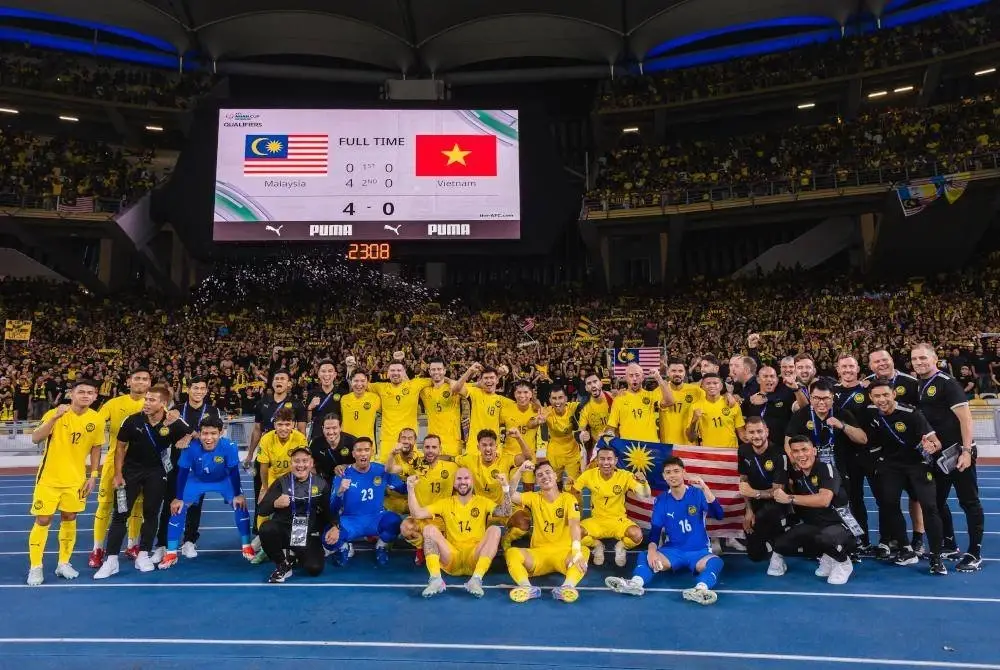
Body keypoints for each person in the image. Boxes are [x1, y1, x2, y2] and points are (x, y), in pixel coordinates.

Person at [94, 385, 193, 578]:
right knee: (120, 514)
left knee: (151, 513)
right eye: (146, 399)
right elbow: (121, 447)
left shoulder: (173, 421)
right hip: (130, 473)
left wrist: (187, 437)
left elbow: (195, 433)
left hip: (157, 473)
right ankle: (111, 560)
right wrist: (118, 474)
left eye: (151, 400)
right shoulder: (132, 420)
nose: (146, 403)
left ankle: (143, 555)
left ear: (163, 403)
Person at [605, 456, 725, 605]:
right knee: (645, 555)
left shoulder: (697, 494)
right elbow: (655, 532)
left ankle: (700, 589)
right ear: (664, 476)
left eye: (676, 471)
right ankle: (635, 583)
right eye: (668, 472)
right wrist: (652, 550)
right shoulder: (661, 500)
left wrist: (705, 488)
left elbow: (719, 515)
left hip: (698, 552)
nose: (672, 475)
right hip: (673, 552)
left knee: (716, 562)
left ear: (684, 473)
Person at [911, 344, 984, 572]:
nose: (919, 362)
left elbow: (966, 419)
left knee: (969, 502)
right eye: (914, 359)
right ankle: (949, 543)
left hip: (957, 453)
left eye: (923, 357)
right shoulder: (921, 384)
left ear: (935, 359)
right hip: (938, 457)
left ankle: (974, 552)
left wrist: (966, 451)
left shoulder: (947, 383)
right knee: (937, 502)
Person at [866, 377, 948, 574]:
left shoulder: (912, 414)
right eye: (876, 396)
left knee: (930, 507)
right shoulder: (872, 415)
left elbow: (935, 441)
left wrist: (932, 446)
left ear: (894, 394)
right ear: (870, 397)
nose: (881, 399)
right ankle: (905, 548)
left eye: (886, 394)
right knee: (889, 504)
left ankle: (936, 557)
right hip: (891, 466)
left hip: (917, 465)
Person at [26, 379, 103, 586]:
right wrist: (55, 418)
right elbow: (36, 438)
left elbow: (96, 447)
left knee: (70, 518)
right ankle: (36, 566)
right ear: (72, 394)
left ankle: (63, 563)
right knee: (43, 520)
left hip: (76, 481)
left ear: (95, 396)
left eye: (90, 392)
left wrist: (93, 475)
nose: (85, 395)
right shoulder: (55, 413)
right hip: (49, 479)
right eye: (81, 392)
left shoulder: (96, 419)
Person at [158, 416, 254, 569]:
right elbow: (182, 472)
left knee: (240, 505)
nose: (208, 438)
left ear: (221, 433)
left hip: (223, 480)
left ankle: (246, 545)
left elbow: (234, 472)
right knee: (178, 508)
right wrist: (178, 497)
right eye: (205, 433)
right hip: (197, 480)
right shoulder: (190, 447)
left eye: (213, 433)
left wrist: (238, 493)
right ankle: (171, 553)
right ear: (200, 433)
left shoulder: (229, 446)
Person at [768, 436, 861, 584]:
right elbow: (777, 492)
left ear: (814, 451)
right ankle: (828, 555)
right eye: (796, 451)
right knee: (781, 543)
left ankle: (843, 562)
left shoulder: (826, 468)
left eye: (804, 449)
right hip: (816, 525)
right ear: (791, 455)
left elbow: (824, 500)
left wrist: (790, 498)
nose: (801, 455)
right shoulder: (795, 474)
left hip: (843, 525)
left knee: (824, 538)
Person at [406, 466, 509, 598]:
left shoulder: (482, 502)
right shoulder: (445, 503)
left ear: (472, 481)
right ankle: (435, 579)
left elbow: (506, 512)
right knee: (429, 529)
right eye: (459, 479)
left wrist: (505, 488)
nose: (462, 482)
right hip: (451, 557)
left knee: (495, 530)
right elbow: (417, 513)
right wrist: (410, 490)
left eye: (466, 478)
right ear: (454, 484)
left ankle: (476, 580)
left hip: (474, 557)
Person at [153, 376, 223, 562]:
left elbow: (215, 437)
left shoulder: (212, 411)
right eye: (195, 388)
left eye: (202, 388)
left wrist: (192, 437)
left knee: (195, 505)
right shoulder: (176, 410)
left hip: (200, 466)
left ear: (206, 391)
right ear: (188, 389)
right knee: (170, 503)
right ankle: (162, 544)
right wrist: (168, 426)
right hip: (177, 465)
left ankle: (190, 540)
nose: (199, 391)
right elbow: (163, 435)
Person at [505, 460, 589, 603]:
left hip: (563, 554)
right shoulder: (533, 497)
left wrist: (576, 550)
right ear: (537, 481)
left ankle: (567, 587)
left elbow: (575, 525)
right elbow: (511, 494)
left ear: (555, 476)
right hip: (539, 555)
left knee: (584, 550)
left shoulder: (568, 499)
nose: (544, 476)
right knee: (512, 553)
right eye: (539, 475)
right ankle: (527, 588)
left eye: (548, 472)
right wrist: (520, 471)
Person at [90, 368, 150, 568]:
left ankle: (133, 545)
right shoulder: (114, 404)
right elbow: (94, 423)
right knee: (105, 505)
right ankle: (98, 548)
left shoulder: (154, 404)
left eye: (145, 379)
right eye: (137, 378)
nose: (141, 382)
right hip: (114, 462)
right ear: (128, 381)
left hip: (142, 465)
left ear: (150, 383)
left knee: (137, 506)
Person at [257, 446, 338, 583]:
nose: (301, 465)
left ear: (311, 463)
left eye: (305, 461)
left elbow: (328, 509)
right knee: (266, 528)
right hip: (283, 531)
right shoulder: (281, 482)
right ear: (291, 463)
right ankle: (282, 564)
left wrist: (335, 526)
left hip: (305, 534)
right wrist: (275, 504)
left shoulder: (320, 483)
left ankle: (292, 554)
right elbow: (262, 510)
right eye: (296, 461)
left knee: (314, 569)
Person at [327, 437, 405, 566]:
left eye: (366, 450)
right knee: (328, 536)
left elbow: (402, 489)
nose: (363, 453)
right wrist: (339, 492)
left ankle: (381, 545)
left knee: (395, 521)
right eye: (359, 450)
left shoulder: (382, 470)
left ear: (372, 452)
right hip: (351, 520)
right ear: (353, 454)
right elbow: (332, 508)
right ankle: (344, 547)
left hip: (376, 518)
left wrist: (415, 478)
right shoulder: (342, 474)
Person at [571, 444, 649, 566]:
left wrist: (644, 483)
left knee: (637, 535)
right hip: (597, 521)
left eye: (609, 459)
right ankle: (597, 545)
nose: (606, 462)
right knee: (574, 532)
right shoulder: (589, 474)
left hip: (618, 521)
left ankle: (621, 546)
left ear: (616, 460)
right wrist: (575, 509)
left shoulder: (625, 475)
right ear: (597, 460)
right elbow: (574, 491)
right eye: (602, 459)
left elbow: (645, 494)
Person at [393, 434, 458, 565]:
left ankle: (438, 545)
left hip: (443, 519)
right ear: (422, 449)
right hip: (420, 517)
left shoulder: (452, 467)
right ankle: (421, 547)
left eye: (434, 447)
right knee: (406, 527)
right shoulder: (415, 466)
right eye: (427, 447)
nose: (430, 450)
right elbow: (390, 469)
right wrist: (391, 455)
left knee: (450, 557)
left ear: (440, 449)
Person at [738, 416, 790, 562]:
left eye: (760, 431)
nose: (756, 436)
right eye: (752, 432)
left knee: (768, 513)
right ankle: (765, 540)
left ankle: (781, 533)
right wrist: (748, 510)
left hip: (776, 503)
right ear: (746, 434)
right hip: (754, 501)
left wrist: (755, 493)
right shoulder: (743, 450)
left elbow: (778, 493)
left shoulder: (779, 454)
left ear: (767, 431)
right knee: (755, 556)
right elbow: (744, 482)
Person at [372, 359, 432, 459]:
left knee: (410, 473)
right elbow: (360, 384)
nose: (395, 373)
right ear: (388, 373)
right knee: (387, 472)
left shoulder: (415, 384)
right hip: (388, 441)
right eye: (392, 370)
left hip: (409, 440)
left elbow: (437, 378)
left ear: (404, 372)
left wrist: (450, 382)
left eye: (399, 370)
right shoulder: (379, 387)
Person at [452, 363, 515, 454]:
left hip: (494, 449)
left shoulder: (501, 400)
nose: (489, 381)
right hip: (474, 448)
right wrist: (470, 371)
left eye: (491, 378)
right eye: (486, 378)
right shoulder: (474, 393)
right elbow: (456, 389)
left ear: (497, 380)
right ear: (481, 381)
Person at [605, 362, 673, 442]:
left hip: (650, 446)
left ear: (643, 377)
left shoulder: (651, 395)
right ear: (626, 378)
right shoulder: (619, 399)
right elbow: (612, 425)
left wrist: (658, 378)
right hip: (629, 448)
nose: (634, 378)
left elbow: (669, 402)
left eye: (637, 375)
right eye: (631, 375)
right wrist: (609, 434)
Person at [687, 373, 746, 447]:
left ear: (721, 386)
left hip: (730, 452)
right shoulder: (695, 407)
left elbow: (741, 433)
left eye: (715, 383)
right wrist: (694, 421)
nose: (712, 386)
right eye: (708, 383)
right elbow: (691, 438)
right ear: (702, 386)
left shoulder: (732, 404)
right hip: (709, 453)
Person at [419, 358, 463, 457]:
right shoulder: (425, 390)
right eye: (433, 370)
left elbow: (478, 385)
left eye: (439, 369)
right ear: (429, 372)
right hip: (433, 443)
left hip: (453, 442)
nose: (436, 372)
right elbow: (408, 386)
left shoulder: (454, 387)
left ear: (444, 370)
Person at [306, 359, 348, 438]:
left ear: (335, 374)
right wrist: (310, 407)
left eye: (330, 371)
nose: (326, 374)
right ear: (318, 374)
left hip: (337, 437)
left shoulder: (343, 394)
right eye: (323, 371)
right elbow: (308, 421)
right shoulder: (312, 393)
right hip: (317, 436)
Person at [308, 414, 356, 482]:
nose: (331, 432)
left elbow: (362, 464)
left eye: (334, 428)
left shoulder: (352, 442)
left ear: (340, 428)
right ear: (322, 428)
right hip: (324, 481)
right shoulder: (316, 443)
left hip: (348, 479)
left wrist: (346, 466)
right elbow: (310, 465)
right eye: (327, 428)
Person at [340, 371, 381, 443]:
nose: (359, 384)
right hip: (346, 443)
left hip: (367, 445)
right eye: (356, 381)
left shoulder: (375, 398)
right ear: (351, 382)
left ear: (367, 382)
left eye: (363, 381)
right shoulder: (344, 399)